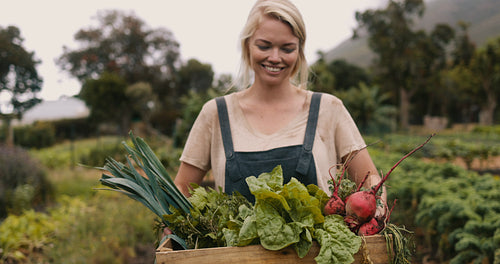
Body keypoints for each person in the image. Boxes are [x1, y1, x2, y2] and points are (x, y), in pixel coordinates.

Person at [174, 0, 386, 209]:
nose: (275, 58)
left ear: (299, 51)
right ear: (247, 45)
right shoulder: (217, 114)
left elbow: (370, 179)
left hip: (318, 245)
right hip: (232, 246)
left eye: (287, 48)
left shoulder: (328, 109)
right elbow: (183, 187)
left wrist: (376, 209)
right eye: (264, 46)